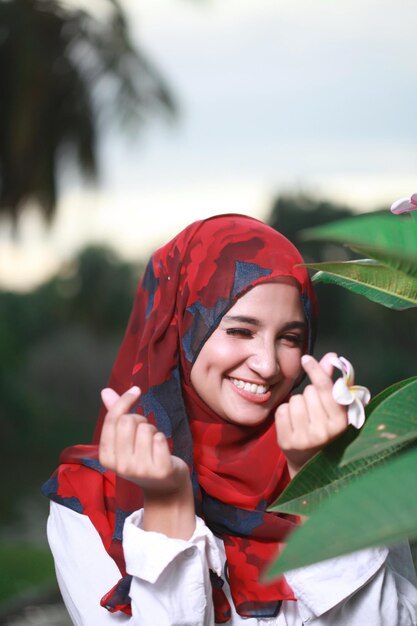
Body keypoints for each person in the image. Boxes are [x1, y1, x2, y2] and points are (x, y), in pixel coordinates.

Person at [43, 214, 417, 625]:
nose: (268, 364)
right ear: (179, 326)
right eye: (240, 331)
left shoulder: (353, 462)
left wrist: (318, 482)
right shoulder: (89, 497)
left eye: (290, 337)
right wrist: (167, 506)